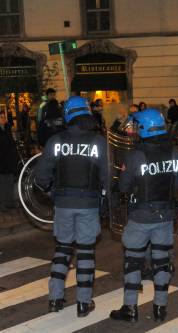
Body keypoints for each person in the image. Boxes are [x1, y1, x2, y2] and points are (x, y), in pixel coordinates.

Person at [34, 96, 108, 317]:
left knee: (62, 250)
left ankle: (55, 299)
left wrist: (51, 192)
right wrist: (104, 201)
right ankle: (84, 303)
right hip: (88, 203)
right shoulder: (98, 142)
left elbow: (40, 176)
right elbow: (106, 177)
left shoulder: (56, 141)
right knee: (86, 252)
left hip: (63, 203)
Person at [109, 108, 178, 323]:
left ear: (143, 129)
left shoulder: (135, 156)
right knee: (161, 261)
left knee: (133, 261)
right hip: (166, 216)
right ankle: (160, 307)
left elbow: (123, 186)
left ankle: (130, 308)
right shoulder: (174, 153)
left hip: (140, 216)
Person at [0, 111, 18, 212]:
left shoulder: (7, 129)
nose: (4, 119)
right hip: (2, 161)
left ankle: (10, 202)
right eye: (1, 117)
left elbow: (11, 143)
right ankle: (3, 203)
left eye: (4, 117)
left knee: (10, 181)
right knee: (2, 183)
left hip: (9, 160)